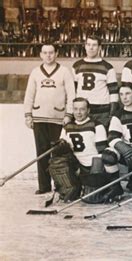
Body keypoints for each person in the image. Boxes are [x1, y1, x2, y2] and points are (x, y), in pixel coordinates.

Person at [24, 43, 75, 194]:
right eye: (45, 53)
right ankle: (44, 187)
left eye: (51, 52)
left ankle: (60, 185)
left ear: (56, 53)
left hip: (58, 118)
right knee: (41, 153)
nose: (48, 55)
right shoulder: (35, 72)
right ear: (40, 54)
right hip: (39, 118)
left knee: (58, 154)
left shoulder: (64, 72)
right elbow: (29, 95)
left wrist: (68, 114)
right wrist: (28, 115)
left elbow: (71, 94)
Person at [54, 97, 112, 203]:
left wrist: (96, 173)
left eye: (82, 109)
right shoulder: (67, 126)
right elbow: (62, 150)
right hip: (76, 166)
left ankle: (102, 188)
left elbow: (101, 153)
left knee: (91, 199)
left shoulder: (97, 125)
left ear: (88, 110)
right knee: (56, 162)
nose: (78, 113)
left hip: (92, 166)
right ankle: (71, 188)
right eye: (75, 109)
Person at [72, 35, 119, 128]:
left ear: (99, 47)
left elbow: (113, 92)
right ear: (85, 46)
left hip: (102, 111)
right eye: (88, 44)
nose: (91, 47)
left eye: (94, 45)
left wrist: (112, 113)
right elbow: (73, 91)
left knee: (101, 138)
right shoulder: (77, 66)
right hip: (82, 110)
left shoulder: (107, 67)